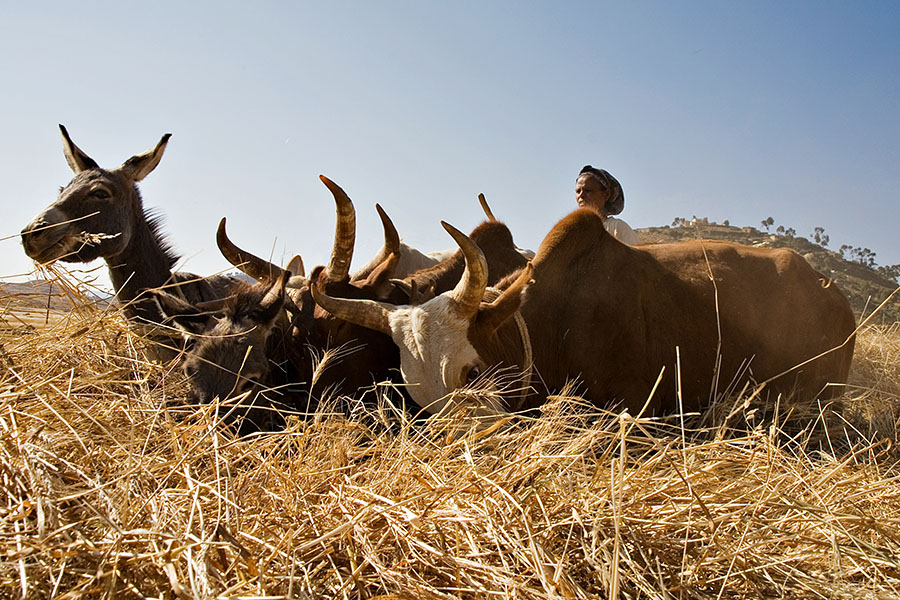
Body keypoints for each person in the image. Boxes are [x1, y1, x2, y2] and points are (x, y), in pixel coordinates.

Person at [575, 165, 640, 245]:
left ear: (606, 194)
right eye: (578, 191)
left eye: (588, 190)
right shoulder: (574, 232)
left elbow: (635, 257)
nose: (581, 195)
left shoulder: (617, 228)